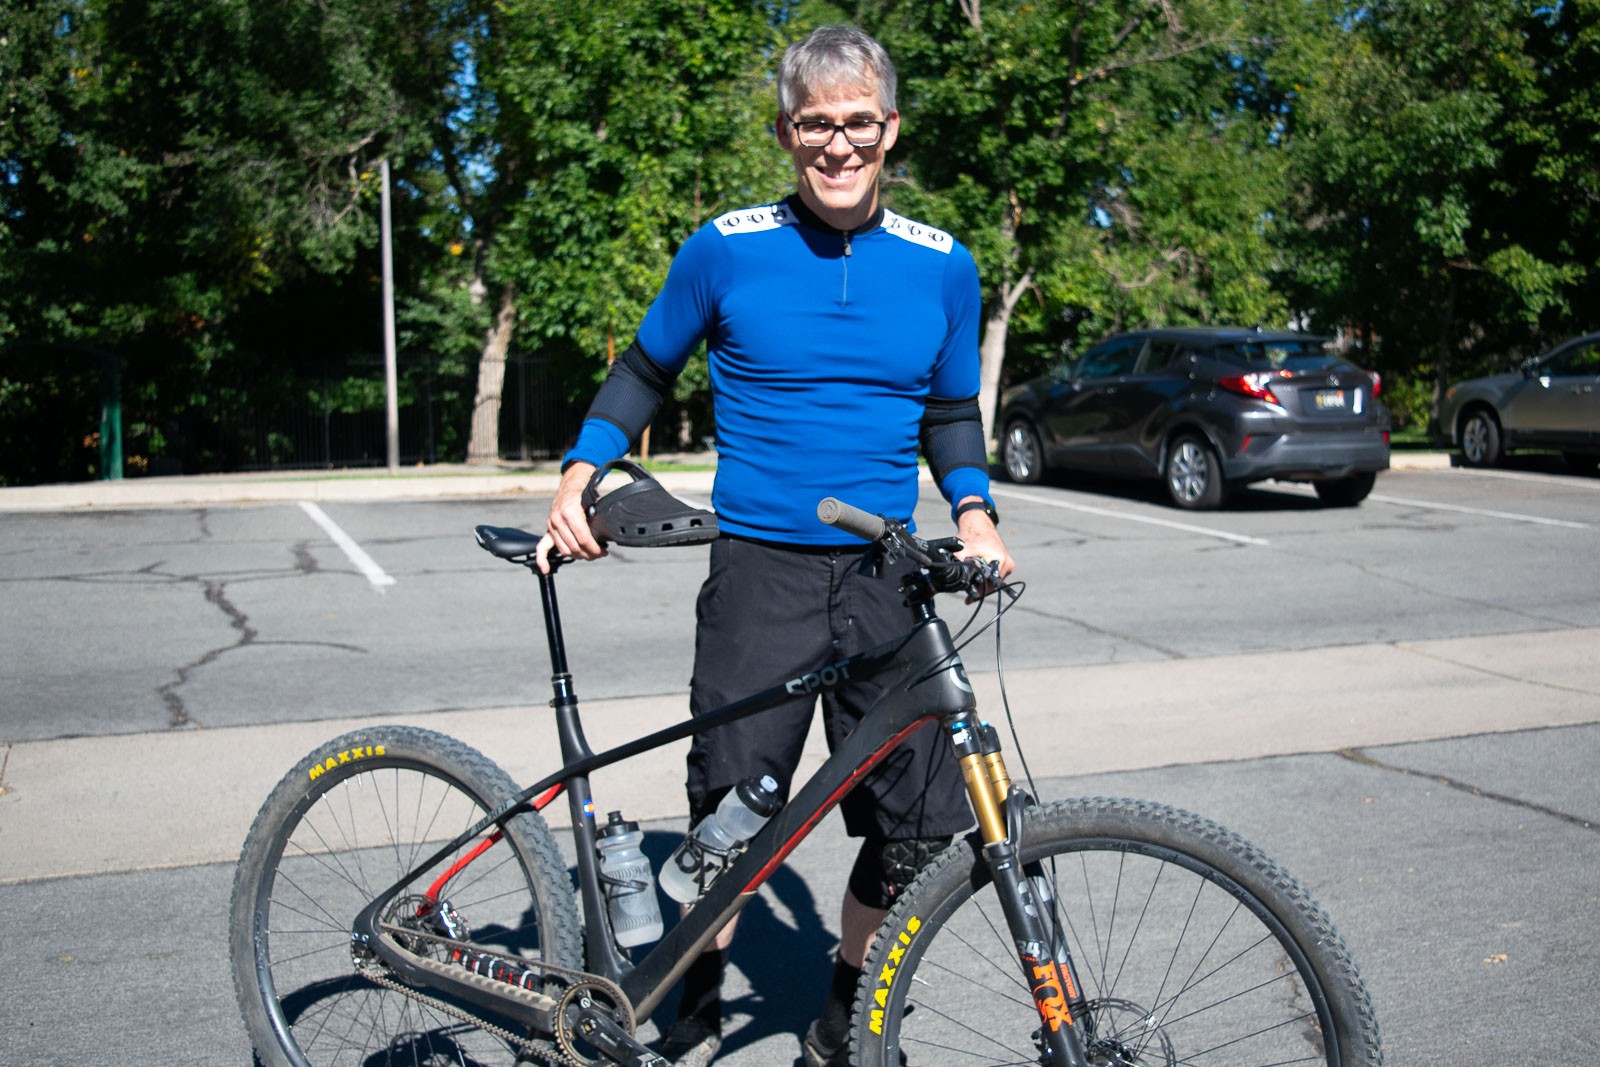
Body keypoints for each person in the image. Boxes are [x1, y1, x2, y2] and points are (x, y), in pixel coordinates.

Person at [537, 24, 1014, 1067]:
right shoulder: (726, 245)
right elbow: (644, 366)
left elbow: (950, 417)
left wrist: (974, 513)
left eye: (857, 124)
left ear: (890, 129)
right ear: (787, 134)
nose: (836, 147)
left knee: (920, 828)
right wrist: (581, 470)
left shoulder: (942, 266)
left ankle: (842, 1020)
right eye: (814, 127)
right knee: (730, 823)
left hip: (885, 575)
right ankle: (692, 1012)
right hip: (761, 572)